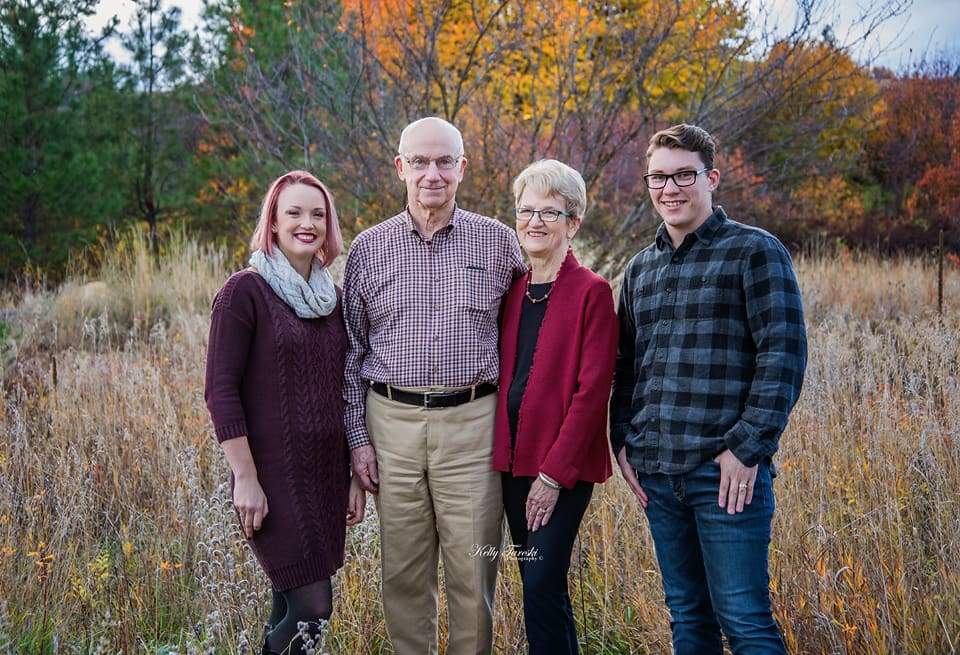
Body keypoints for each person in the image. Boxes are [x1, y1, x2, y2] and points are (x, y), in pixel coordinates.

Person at [610, 124, 807, 655]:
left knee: (744, 622)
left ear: (711, 178)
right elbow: (625, 365)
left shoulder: (754, 252)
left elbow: (783, 356)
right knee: (689, 622)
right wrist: (623, 441)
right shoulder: (639, 268)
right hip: (657, 474)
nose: (669, 189)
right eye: (658, 177)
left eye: (683, 176)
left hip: (724, 476)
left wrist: (746, 450)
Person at [342, 116, 525, 655]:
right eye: (420, 161)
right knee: (402, 571)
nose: (432, 173)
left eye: (445, 161)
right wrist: (357, 439)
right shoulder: (369, 248)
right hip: (390, 424)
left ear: (462, 169)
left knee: (474, 572)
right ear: (400, 169)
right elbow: (352, 352)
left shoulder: (499, 243)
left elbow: (540, 319)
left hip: (473, 423)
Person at [204, 170, 366, 655]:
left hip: (322, 480)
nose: (307, 223)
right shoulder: (244, 292)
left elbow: (345, 388)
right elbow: (220, 392)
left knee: (290, 605)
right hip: (271, 481)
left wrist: (353, 476)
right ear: (272, 223)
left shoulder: (331, 299)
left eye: (318, 214)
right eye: (293, 212)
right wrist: (245, 478)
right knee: (313, 608)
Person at [492, 159, 618, 655]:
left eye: (551, 212)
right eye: (526, 211)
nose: (535, 222)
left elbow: (593, 393)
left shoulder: (592, 292)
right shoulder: (512, 291)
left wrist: (551, 476)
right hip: (509, 464)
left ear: (574, 222)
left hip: (559, 470)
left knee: (542, 583)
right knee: (539, 588)